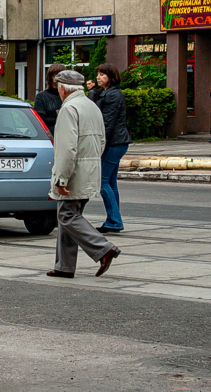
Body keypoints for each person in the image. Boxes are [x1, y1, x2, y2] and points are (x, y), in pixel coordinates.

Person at [47, 70, 120, 279]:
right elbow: (102, 141)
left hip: (74, 171)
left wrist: (61, 178)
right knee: (69, 217)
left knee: (67, 216)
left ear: (62, 88)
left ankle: (104, 248)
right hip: (90, 169)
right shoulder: (91, 106)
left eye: (57, 87)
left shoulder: (69, 109)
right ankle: (64, 266)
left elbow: (65, 149)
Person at [88, 63, 129, 233]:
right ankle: (113, 219)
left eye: (102, 75)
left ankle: (114, 220)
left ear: (111, 77)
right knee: (110, 182)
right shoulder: (109, 93)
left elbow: (107, 122)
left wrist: (97, 143)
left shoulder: (112, 95)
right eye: (98, 74)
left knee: (102, 181)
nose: (98, 77)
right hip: (117, 142)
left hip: (113, 143)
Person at [34, 63, 65, 132]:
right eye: (56, 74)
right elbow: (39, 119)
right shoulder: (41, 96)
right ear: (50, 76)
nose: (58, 77)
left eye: (61, 75)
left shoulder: (67, 95)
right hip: (49, 134)